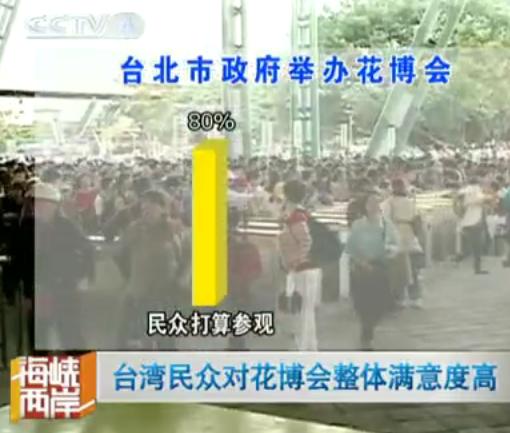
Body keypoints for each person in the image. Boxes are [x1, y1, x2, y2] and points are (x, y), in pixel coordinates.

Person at [28, 182, 95, 351]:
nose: (39, 208)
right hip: (41, 288)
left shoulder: (67, 227)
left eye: (43, 204)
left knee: (70, 333)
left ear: (54, 206)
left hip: (65, 287)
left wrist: (84, 276)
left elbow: (87, 250)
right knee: (39, 334)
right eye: (35, 204)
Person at [115, 189, 180, 349]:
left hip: (164, 290)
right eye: (144, 208)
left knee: (165, 335)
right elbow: (120, 253)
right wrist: (130, 276)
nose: (146, 212)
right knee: (128, 331)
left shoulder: (172, 229)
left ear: (163, 209)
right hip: (138, 288)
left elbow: (183, 256)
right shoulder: (135, 229)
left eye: (151, 208)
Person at [345, 191, 400, 350]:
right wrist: (361, 262)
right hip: (361, 269)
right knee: (362, 303)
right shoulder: (358, 225)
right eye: (371, 203)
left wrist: (390, 250)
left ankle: (370, 326)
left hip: (380, 268)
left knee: (379, 303)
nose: (374, 206)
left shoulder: (386, 224)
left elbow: (395, 244)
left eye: (377, 202)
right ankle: (366, 333)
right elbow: (351, 248)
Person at [278, 180, 321, 351]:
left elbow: (306, 241)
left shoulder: (297, 216)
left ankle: (302, 349)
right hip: (302, 268)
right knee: (304, 310)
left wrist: (297, 261)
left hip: (303, 268)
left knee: (302, 310)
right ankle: (309, 347)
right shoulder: (293, 214)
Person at [382, 178, 423, 308]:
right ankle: (415, 297)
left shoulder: (388, 203)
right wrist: (417, 235)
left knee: (399, 270)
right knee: (413, 269)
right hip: (409, 234)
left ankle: (400, 298)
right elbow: (417, 221)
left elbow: (385, 221)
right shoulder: (410, 202)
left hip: (396, 234)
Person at [459, 176, 492, 274]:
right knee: (477, 246)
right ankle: (477, 268)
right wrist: (489, 197)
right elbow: (481, 199)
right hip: (475, 222)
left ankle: (466, 261)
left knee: (470, 245)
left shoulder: (464, 190)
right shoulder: (475, 190)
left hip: (465, 222)